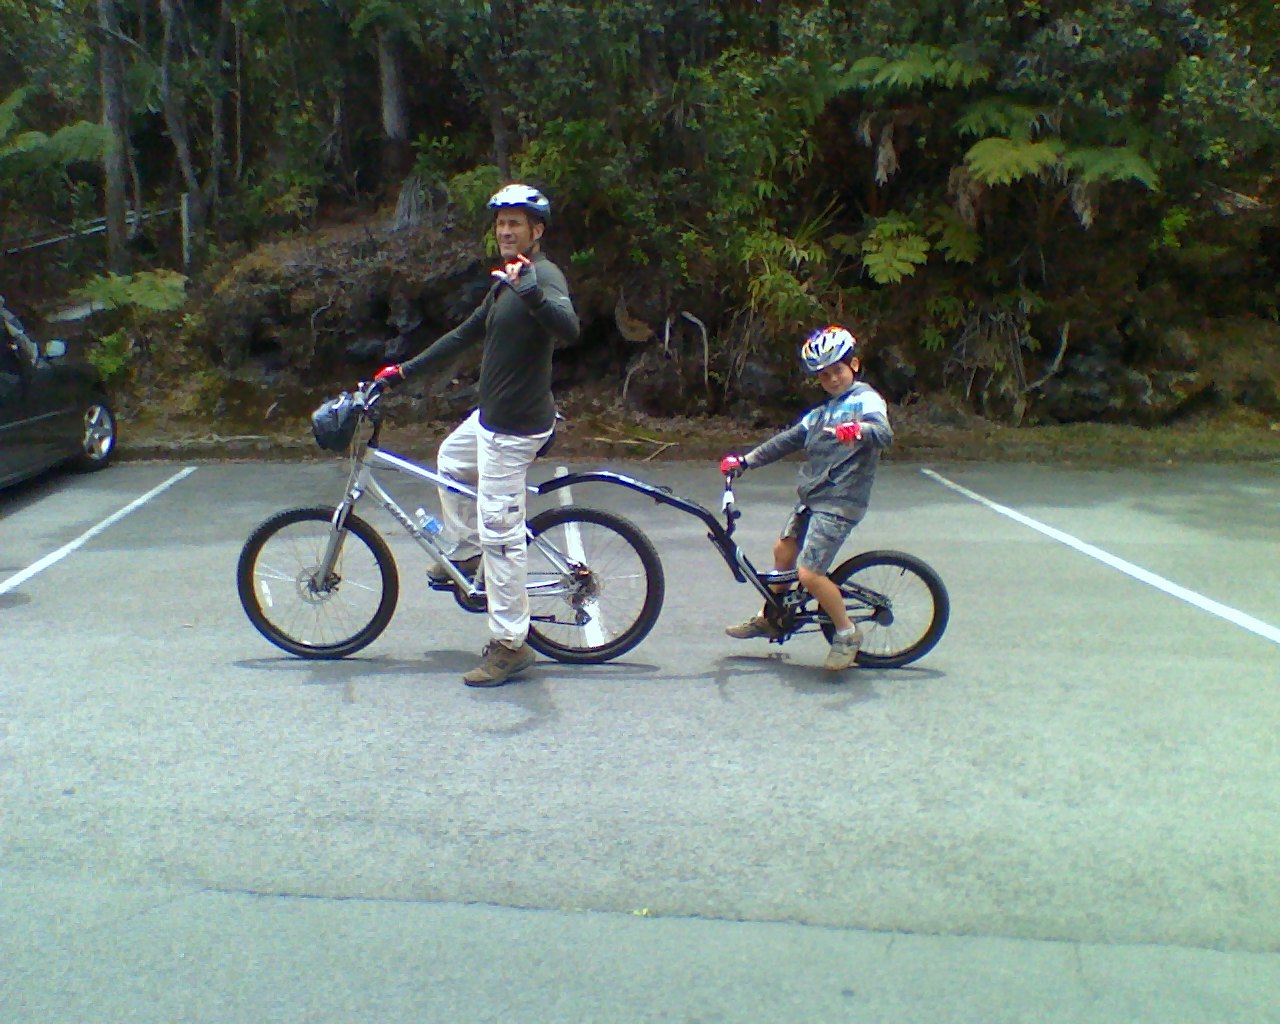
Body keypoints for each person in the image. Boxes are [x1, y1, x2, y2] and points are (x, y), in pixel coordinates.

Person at [374, 184, 579, 687]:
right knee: (450, 459)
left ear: (537, 230)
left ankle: (512, 643)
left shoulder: (541, 276)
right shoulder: (504, 282)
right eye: (501, 223)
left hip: (515, 430)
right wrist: (403, 371)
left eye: (517, 223)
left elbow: (569, 327)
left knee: (503, 538)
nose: (506, 230)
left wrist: (532, 291)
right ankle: (465, 554)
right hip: (490, 419)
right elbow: (465, 334)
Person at [719, 325, 892, 671]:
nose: (832, 379)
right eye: (824, 375)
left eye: (837, 371)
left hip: (841, 500)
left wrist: (859, 430)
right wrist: (746, 461)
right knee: (783, 551)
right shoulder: (819, 415)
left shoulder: (865, 399)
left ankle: (846, 633)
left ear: (854, 365)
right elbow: (785, 442)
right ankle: (772, 616)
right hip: (813, 496)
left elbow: (883, 434)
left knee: (810, 574)